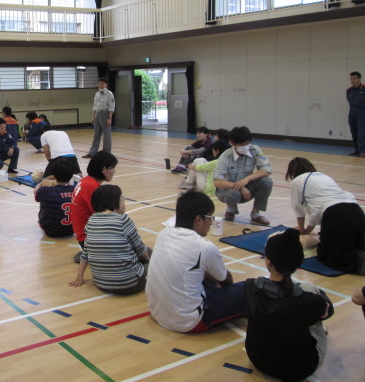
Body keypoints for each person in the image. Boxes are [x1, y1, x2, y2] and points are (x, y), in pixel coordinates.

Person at [146, 190, 245, 333]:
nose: (211, 222)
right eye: (210, 217)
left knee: (198, 274)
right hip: (190, 322)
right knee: (250, 289)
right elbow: (226, 281)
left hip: (157, 311)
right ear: (198, 219)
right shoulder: (204, 247)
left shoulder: (163, 234)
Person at [245, 228, 334, 381]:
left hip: (257, 359)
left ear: (268, 262)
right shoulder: (307, 299)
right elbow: (329, 311)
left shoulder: (250, 286)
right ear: (298, 264)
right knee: (314, 308)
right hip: (299, 369)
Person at [285, 157, 365, 274]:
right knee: (357, 244)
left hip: (336, 214)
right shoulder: (323, 176)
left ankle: (360, 263)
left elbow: (300, 210)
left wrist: (303, 230)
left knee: (328, 255)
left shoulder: (297, 181)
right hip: (356, 210)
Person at [70, 184, 151, 295]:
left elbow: (86, 253)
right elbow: (141, 250)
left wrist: (79, 277)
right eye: (122, 198)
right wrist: (148, 262)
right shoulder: (124, 220)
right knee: (151, 255)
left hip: (101, 283)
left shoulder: (91, 221)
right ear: (114, 202)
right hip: (131, 283)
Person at [213, 126, 272, 226]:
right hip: (227, 190)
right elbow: (217, 181)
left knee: (267, 181)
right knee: (232, 193)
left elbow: (267, 169)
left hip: (247, 188)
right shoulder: (225, 156)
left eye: (247, 143)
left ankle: (256, 213)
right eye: (241, 144)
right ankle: (231, 210)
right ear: (232, 143)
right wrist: (240, 187)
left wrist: (248, 179)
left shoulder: (255, 150)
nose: (245, 146)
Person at [70, 151, 118, 262]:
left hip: (83, 235)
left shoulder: (86, 181)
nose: (114, 171)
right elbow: (102, 218)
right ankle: (90, 253)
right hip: (88, 238)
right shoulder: (92, 187)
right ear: (104, 170)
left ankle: (88, 253)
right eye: (113, 168)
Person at [34, 158, 75, 238]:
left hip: (51, 230)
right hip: (72, 230)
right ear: (71, 175)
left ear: (54, 175)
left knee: (42, 196)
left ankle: (44, 221)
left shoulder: (46, 191)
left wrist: (40, 184)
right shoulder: (77, 190)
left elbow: (36, 194)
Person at [83, 77, 115, 158]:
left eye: (102, 83)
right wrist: (94, 117)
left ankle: (107, 153)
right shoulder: (97, 93)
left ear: (106, 84)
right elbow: (95, 106)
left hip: (105, 114)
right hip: (97, 114)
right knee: (96, 134)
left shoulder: (109, 94)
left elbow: (111, 107)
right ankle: (92, 152)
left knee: (106, 135)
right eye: (99, 83)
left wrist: (109, 117)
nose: (100, 85)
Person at [347, 71, 365, 157]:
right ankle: (357, 149)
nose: (352, 80)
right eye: (351, 78)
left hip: (362, 111)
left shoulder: (364, 89)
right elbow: (348, 100)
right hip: (352, 111)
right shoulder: (349, 90)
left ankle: (363, 150)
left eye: (354, 78)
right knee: (353, 131)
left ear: (359, 79)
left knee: (361, 132)